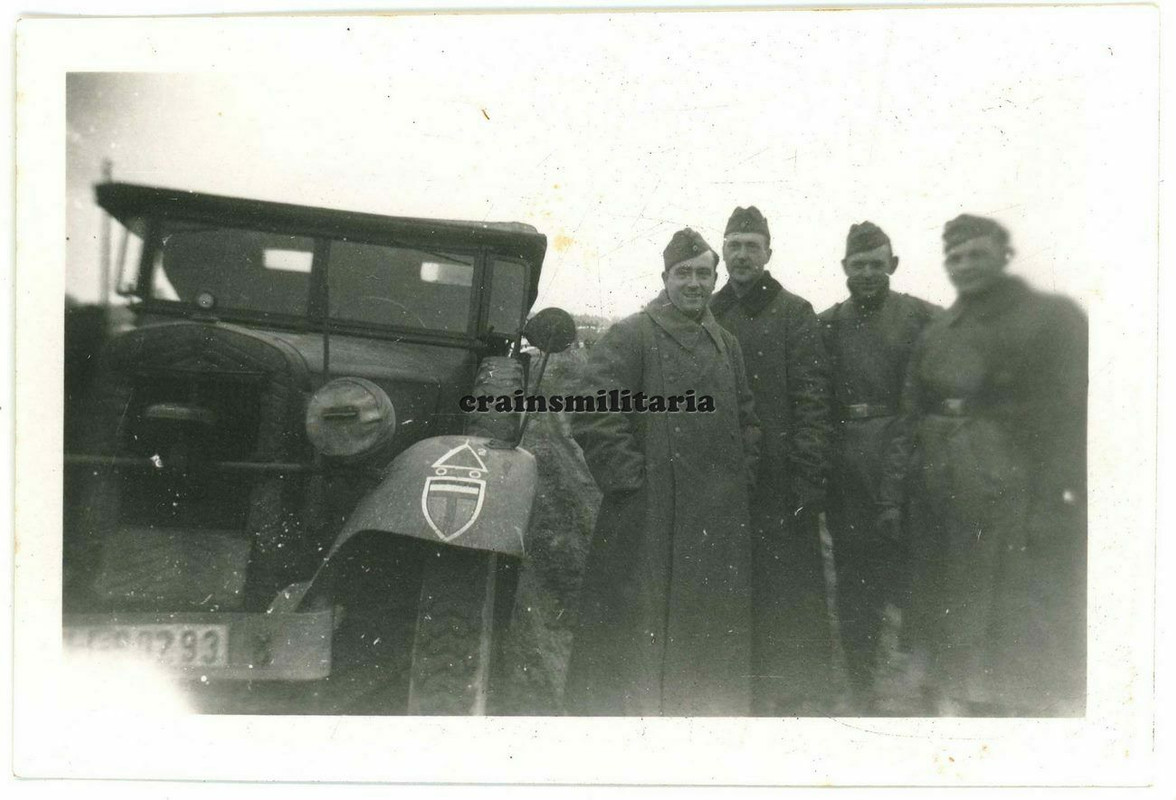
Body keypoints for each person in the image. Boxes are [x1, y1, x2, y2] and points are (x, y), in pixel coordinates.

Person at [890, 214, 1088, 716]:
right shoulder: (941, 326)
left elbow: (1066, 410)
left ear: (1003, 254)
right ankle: (952, 686)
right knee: (947, 581)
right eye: (954, 258)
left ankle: (1002, 696)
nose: (965, 266)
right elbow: (914, 401)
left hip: (1011, 475)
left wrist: (1057, 484)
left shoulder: (1046, 317)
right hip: (941, 474)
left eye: (976, 254)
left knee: (1003, 588)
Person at [564, 227, 762, 716]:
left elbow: (747, 416)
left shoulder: (727, 344)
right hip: (649, 514)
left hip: (716, 516)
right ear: (665, 278)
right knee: (639, 631)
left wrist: (743, 473)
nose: (694, 284)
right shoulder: (634, 334)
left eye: (703, 274)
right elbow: (594, 410)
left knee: (704, 635)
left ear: (715, 279)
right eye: (684, 274)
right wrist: (631, 483)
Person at [709, 206, 834, 715]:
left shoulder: (794, 312)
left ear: (768, 253)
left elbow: (812, 399)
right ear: (723, 251)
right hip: (722, 470)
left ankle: (789, 692)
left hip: (780, 476)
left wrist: (808, 475)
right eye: (734, 245)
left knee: (787, 586)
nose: (742, 255)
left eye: (752, 246)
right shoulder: (707, 309)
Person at [817, 221, 940, 713]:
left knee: (914, 569)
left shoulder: (922, 317)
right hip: (848, 467)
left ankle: (917, 677)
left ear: (893, 265)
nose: (866, 273)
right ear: (844, 268)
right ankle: (862, 678)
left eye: (876, 264)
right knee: (853, 575)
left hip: (906, 460)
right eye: (857, 265)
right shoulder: (827, 324)